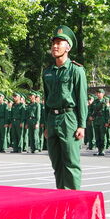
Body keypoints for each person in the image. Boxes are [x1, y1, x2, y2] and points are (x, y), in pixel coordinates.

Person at [43, 25, 88, 190]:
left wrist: (82, 125)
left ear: (67, 47)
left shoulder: (76, 70)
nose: (55, 46)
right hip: (52, 119)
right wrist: (46, 124)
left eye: (59, 43)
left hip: (68, 118)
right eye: (53, 43)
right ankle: (61, 197)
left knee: (71, 162)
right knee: (57, 163)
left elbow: (82, 99)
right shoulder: (48, 72)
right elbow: (46, 100)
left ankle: (73, 201)